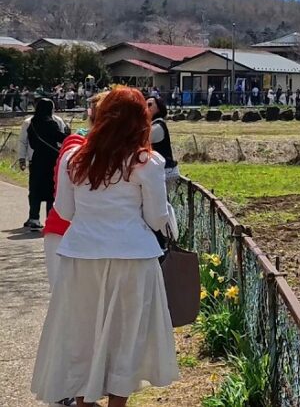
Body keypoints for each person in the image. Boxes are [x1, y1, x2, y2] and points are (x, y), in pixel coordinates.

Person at [31, 87, 179, 406]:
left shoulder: (75, 157)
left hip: (82, 255)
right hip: (133, 257)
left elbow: (65, 211)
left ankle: (83, 400)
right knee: (127, 338)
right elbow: (156, 218)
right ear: (140, 121)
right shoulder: (146, 161)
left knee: (83, 337)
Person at [43, 90, 107, 292]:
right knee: (66, 304)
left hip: (99, 238)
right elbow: (63, 202)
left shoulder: (124, 152)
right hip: (65, 232)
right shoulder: (76, 144)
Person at [18, 98, 70, 230]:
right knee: (52, 190)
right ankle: (49, 219)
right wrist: (69, 135)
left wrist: (22, 158)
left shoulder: (32, 123)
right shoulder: (52, 123)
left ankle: (34, 218)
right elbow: (60, 138)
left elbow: (28, 142)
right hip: (52, 159)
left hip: (36, 159)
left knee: (35, 188)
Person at [146, 95, 179, 191]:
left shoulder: (158, 126)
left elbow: (139, 141)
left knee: (162, 202)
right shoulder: (153, 125)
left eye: (150, 104)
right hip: (160, 171)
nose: (146, 107)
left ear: (159, 108)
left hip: (165, 171)